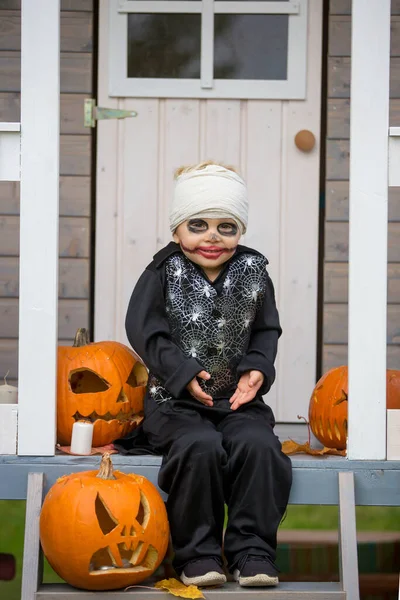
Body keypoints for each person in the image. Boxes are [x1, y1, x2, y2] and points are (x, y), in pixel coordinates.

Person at [116, 161, 292, 588]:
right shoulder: (163, 272)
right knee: (200, 446)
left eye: (226, 227)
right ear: (178, 230)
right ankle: (198, 553)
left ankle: (252, 551)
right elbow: (145, 330)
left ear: (241, 231)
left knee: (258, 446)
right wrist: (180, 371)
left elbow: (266, 329)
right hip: (174, 403)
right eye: (198, 225)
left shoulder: (254, 273)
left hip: (236, 402)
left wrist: (257, 369)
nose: (212, 236)